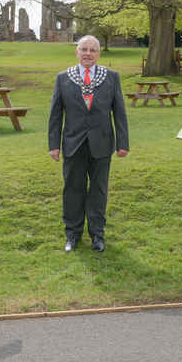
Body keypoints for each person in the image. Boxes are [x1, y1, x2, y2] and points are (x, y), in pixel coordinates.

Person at [48, 35, 129, 253]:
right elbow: (55, 115)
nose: (88, 54)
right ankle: (72, 235)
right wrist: (53, 145)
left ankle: (97, 235)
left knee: (99, 190)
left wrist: (123, 143)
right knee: (73, 189)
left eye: (92, 50)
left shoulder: (111, 77)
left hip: (102, 143)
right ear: (77, 52)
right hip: (73, 143)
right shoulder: (63, 78)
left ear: (98, 54)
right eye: (84, 49)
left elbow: (119, 113)